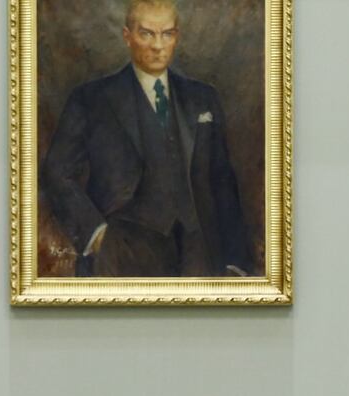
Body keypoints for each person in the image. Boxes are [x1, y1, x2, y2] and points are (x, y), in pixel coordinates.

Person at [42, 0, 253, 277]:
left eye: (167, 34)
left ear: (176, 36)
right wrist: (95, 234)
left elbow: (222, 181)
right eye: (147, 33)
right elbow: (57, 173)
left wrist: (235, 261)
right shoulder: (91, 100)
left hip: (198, 253)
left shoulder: (203, 98)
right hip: (120, 253)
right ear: (127, 36)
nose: (157, 45)